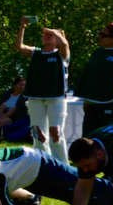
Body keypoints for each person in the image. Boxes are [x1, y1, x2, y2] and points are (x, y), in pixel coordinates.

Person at [10, 20, 73, 154]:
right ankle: (42, 159)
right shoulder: (36, 53)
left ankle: (60, 162)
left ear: (57, 39)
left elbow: (64, 44)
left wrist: (55, 32)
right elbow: (19, 46)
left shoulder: (61, 54)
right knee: (37, 131)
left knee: (55, 132)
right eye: (45, 35)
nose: (46, 36)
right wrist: (22, 27)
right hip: (35, 97)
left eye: (50, 35)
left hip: (56, 98)